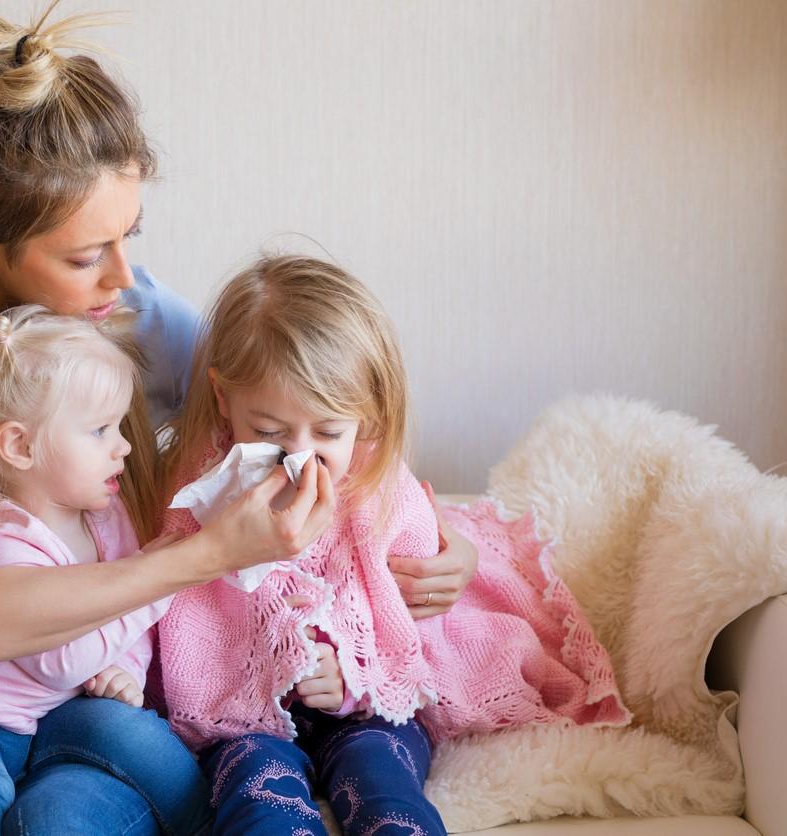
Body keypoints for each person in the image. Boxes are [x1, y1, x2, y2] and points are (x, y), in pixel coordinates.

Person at [0, 6, 472, 833]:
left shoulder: (138, 316)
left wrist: (446, 538)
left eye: (129, 237)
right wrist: (204, 555)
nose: (124, 277)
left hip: (96, 711)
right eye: (85, 256)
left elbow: (321, 414)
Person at [156, 255, 628, 835]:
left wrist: (349, 675)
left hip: (370, 715)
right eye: (270, 431)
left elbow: (407, 625)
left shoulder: (381, 492)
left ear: (367, 413)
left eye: (329, 431)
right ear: (223, 396)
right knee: (257, 796)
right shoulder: (200, 488)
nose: (302, 452)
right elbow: (186, 621)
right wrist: (273, 663)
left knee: (383, 786)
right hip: (249, 716)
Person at [0, 305, 207, 835]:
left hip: (24, 723)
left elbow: (123, 620)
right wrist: (162, 581)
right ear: (20, 446)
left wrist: (127, 672)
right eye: (99, 430)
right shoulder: (5, 539)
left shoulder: (107, 517)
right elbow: (65, 663)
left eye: (118, 425)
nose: (125, 446)